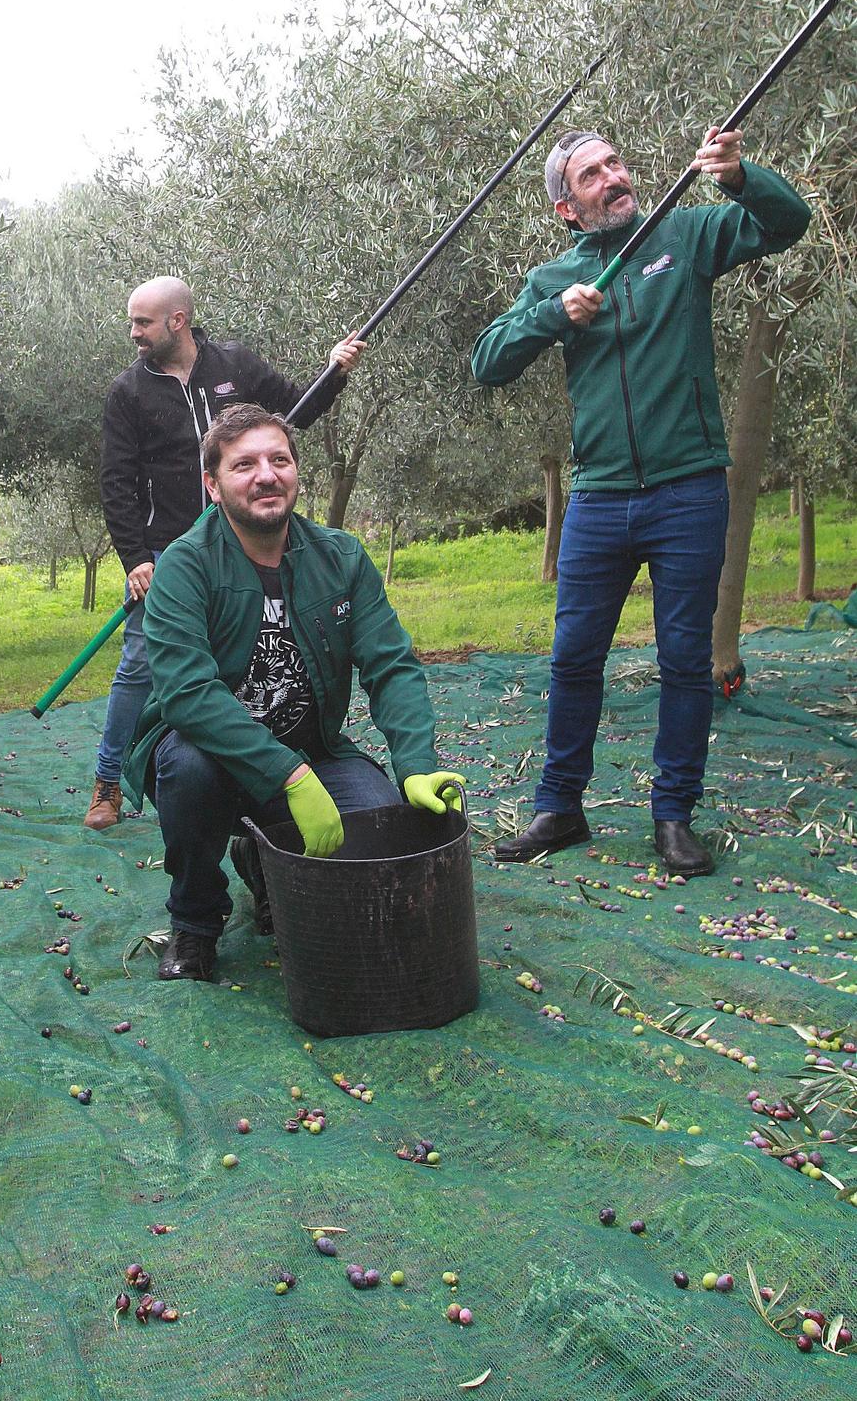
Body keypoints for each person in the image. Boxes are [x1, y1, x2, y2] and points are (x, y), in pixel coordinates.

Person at [471, 125, 811, 876]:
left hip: (688, 488)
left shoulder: (683, 236)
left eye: (615, 164)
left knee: (685, 660)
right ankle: (559, 809)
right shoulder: (553, 277)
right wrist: (553, 314)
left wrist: (738, 175)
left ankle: (672, 816)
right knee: (572, 660)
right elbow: (486, 363)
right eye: (591, 175)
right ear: (567, 206)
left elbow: (787, 224)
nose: (613, 178)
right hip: (597, 500)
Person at [122, 403, 464, 981]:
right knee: (188, 768)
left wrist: (416, 766)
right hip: (215, 754)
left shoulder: (341, 557)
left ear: (296, 472)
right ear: (212, 484)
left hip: (316, 750)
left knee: (381, 823)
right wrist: (289, 775)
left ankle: (262, 858)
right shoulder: (185, 565)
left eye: (279, 460)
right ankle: (196, 922)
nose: (265, 475)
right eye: (244, 465)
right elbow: (186, 693)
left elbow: (392, 667)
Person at [88, 275, 366, 831]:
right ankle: (109, 781)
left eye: (142, 322)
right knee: (141, 663)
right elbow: (116, 479)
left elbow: (297, 411)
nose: (133, 333)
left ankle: (271, 764)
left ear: (177, 321)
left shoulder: (234, 365)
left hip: (244, 543)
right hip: (169, 550)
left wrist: (334, 373)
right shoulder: (130, 391)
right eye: (132, 322)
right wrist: (136, 558)